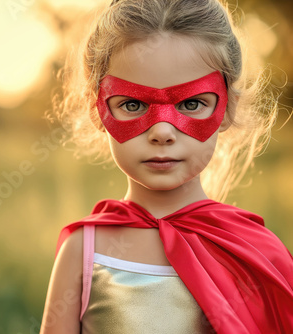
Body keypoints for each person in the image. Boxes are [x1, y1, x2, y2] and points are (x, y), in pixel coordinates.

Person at [41, 0, 293, 333]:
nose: (162, 131)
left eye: (192, 103)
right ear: (97, 109)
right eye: (133, 103)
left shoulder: (259, 253)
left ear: (228, 107)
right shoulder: (84, 250)